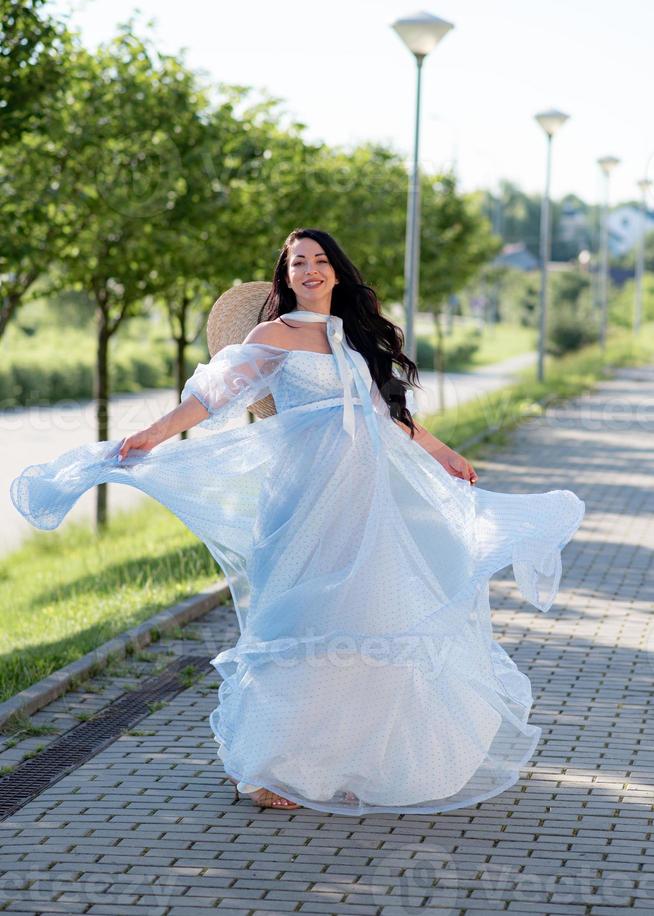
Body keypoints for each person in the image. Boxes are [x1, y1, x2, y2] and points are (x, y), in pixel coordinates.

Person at [10, 226, 585, 815]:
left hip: (366, 504)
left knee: (366, 621)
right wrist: (154, 434)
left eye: (320, 261)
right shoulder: (272, 335)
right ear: (285, 277)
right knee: (301, 622)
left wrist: (442, 453)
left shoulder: (354, 337)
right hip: (305, 500)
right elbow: (211, 395)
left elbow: (390, 414)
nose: (310, 270)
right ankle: (269, 769)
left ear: (337, 271)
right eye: (298, 263)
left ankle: (351, 760)